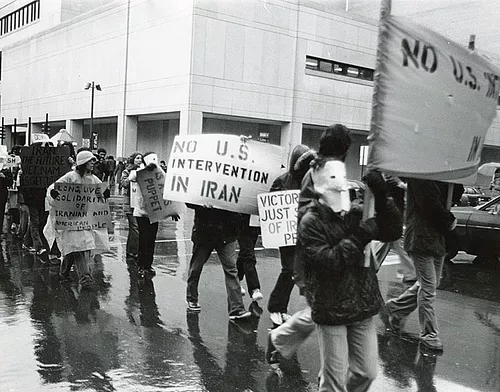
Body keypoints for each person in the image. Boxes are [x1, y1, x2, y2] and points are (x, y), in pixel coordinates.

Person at [298, 160, 402, 391]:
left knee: (366, 372)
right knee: (334, 383)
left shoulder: (357, 212)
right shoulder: (310, 222)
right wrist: (360, 236)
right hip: (331, 306)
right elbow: (329, 262)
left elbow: (393, 231)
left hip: (362, 303)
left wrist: (383, 198)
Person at [267, 124, 353, 363]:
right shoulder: (313, 176)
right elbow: (311, 218)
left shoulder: (328, 173)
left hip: (322, 250)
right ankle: (327, 374)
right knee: (326, 310)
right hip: (313, 250)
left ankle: (281, 339)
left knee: (324, 310)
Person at [385, 178, 456, 352]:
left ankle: (396, 307)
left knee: (431, 284)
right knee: (428, 288)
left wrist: (455, 180)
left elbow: (453, 195)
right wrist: (449, 219)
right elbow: (430, 205)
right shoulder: (421, 177)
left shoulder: (441, 175)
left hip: (438, 237)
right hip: (421, 237)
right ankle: (429, 334)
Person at [266, 144, 316, 325]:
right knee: (288, 269)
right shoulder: (282, 180)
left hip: (304, 234)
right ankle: (276, 307)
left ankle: (280, 307)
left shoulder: (311, 181)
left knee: (297, 271)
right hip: (286, 234)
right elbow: (270, 204)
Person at [47, 150, 110, 288]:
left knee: (79, 247)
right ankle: (85, 278)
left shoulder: (93, 178)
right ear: (83, 162)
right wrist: (55, 194)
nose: (93, 163)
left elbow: (100, 191)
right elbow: (53, 188)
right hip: (71, 219)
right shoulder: (70, 176)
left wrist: (105, 192)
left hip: (85, 219)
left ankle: (64, 273)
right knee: (77, 247)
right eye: (90, 160)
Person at [185, 202, 251, 321]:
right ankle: (192, 298)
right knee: (196, 268)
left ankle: (236, 309)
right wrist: (201, 204)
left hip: (226, 233)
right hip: (206, 233)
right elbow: (189, 199)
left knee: (231, 270)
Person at [127, 152, 179, 278]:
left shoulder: (159, 174)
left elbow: (165, 191)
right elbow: (131, 177)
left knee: (151, 240)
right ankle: (141, 266)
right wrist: (145, 169)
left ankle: (148, 265)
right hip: (141, 212)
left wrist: (172, 211)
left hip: (154, 212)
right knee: (143, 239)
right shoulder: (139, 172)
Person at [370, 175, 416, 283]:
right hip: (391, 211)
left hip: (392, 211)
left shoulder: (394, 173)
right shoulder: (393, 174)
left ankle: (371, 267)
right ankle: (410, 272)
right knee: (392, 240)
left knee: (391, 240)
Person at [120, 152, 143, 260]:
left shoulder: (144, 171)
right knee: (135, 227)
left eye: (141, 158)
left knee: (135, 228)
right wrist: (130, 178)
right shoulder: (127, 171)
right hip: (130, 203)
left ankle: (131, 250)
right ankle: (134, 252)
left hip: (140, 203)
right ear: (133, 160)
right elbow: (123, 183)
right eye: (137, 158)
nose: (139, 160)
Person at [236, 214, 262, 301]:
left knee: (245, 253)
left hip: (254, 223)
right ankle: (254, 289)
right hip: (241, 222)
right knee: (248, 255)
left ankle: (236, 280)